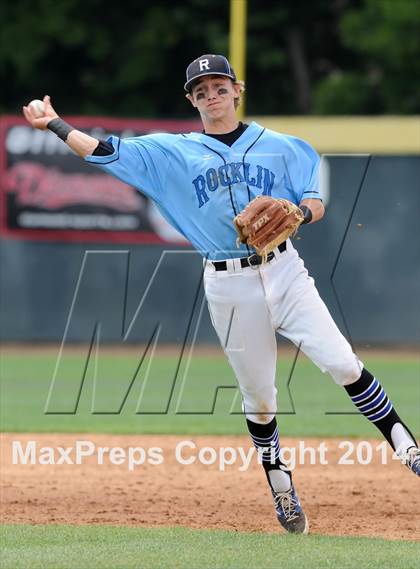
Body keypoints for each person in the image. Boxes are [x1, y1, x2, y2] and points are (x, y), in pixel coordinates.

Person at [23, 53, 419, 535]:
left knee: (341, 362)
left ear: (238, 89)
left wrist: (298, 212)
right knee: (260, 398)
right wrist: (56, 125)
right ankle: (282, 488)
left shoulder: (284, 146)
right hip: (228, 283)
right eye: (201, 90)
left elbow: (314, 200)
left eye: (219, 86)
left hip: (286, 271)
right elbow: (104, 151)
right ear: (191, 100)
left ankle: (407, 447)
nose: (212, 96)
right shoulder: (171, 152)